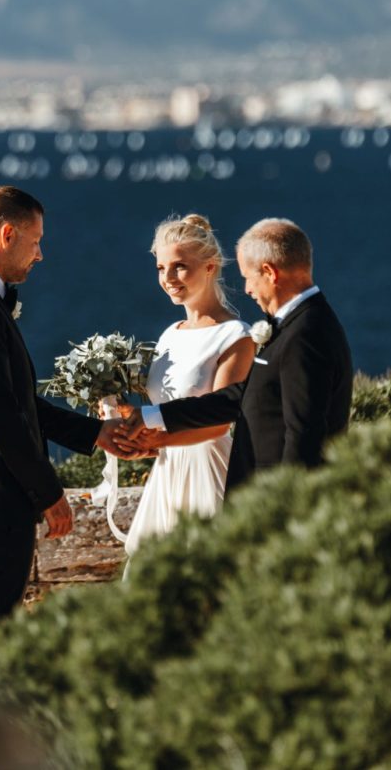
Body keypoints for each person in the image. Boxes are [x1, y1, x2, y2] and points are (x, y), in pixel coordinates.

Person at [0, 185, 132, 680]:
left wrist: (95, 434)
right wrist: (47, 492)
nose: (40, 254)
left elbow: (17, 403)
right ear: (7, 233)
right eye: (35, 241)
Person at [124, 218, 353, 491]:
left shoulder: (305, 333)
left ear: (270, 272)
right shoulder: (297, 324)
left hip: (277, 499)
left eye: (248, 277)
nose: (247, 289)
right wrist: (151, 416)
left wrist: (290, 508)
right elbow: (236, 399)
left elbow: (304, 432)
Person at [121, 214, 254, 556]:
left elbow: (219, 421)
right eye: (161, 268)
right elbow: (161, 406)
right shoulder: (169, 335)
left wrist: (158, 436)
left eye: (179, 266)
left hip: (207, 471)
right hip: (167, 471)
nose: (168, 278)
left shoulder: (235, 336)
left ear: (210, 267)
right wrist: (133, 432)